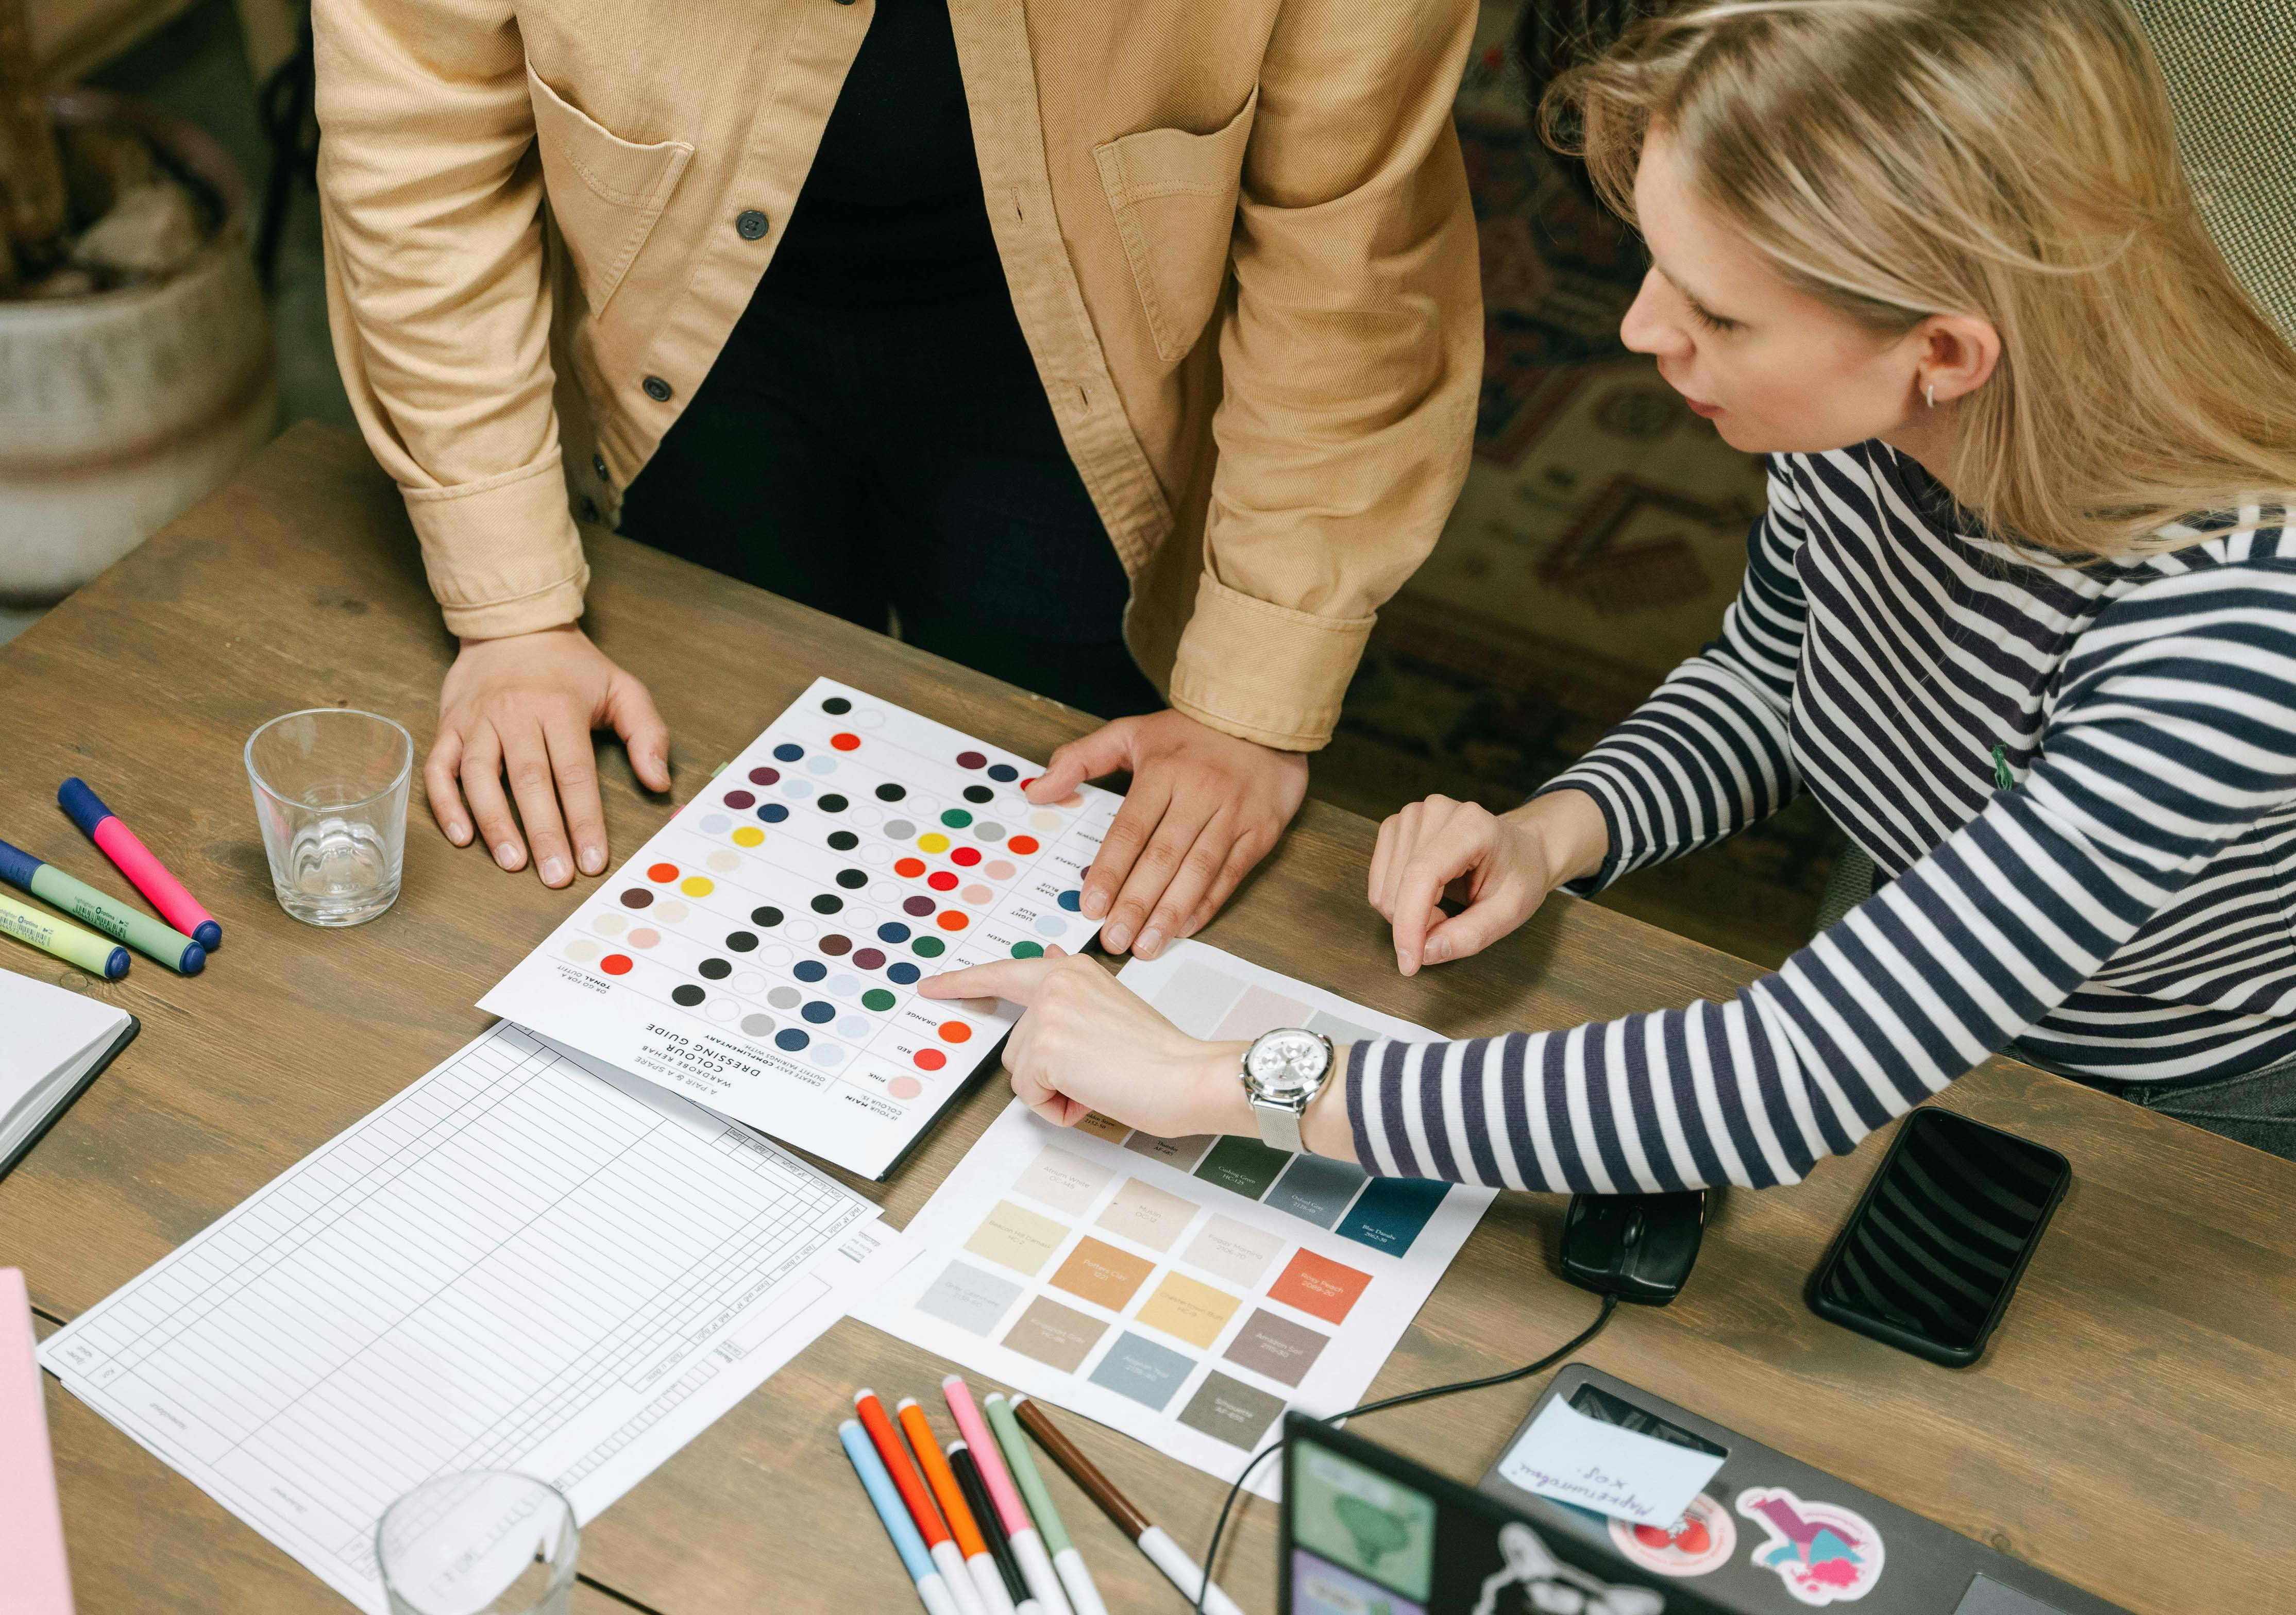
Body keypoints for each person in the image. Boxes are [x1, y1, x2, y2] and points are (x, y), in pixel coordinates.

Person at [921, 0, 2296, 1177]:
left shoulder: (2228, 629)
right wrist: (1559, 832)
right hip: (1906, 942)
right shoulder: (1872, 423)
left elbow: (1784, 1080)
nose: (1639, 333)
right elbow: (1780, 682)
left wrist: (1227, 1086)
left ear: (1942, 350)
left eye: (1719, 315)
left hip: (2173, 1102)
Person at [312, 0, 1483, 959]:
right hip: (677, 327)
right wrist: (512, 605)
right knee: (705, 847)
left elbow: (1352, 250)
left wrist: (1250, 695)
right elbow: (419, 148)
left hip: (1090, 350)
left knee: (1065, 890)